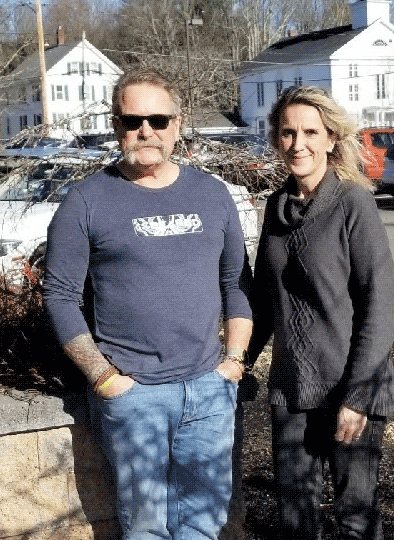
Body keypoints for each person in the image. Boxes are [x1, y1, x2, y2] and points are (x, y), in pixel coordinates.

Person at [43, 68, 253, 540]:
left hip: (208, 392)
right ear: (116, 126)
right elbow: (59, 296)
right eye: (131, 120)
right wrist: (103, 376)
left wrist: (234, 362)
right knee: (145, 529)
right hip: (135, 397)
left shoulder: (212, 193)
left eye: (158, 119)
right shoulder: (86, 201)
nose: (146, 131)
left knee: (204, 523)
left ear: (177, 125)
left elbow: (237, 284)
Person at [246, 86, 394, 540]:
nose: (299, 144)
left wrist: (357, 397)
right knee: (294, 515)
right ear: (277, 139)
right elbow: (263, 300)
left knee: (355, 516)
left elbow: (380, 306)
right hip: (292, 389)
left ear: (331, 138)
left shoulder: (354, 204)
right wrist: (238, 362)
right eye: (288, 133)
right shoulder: (274, 207)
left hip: (350, 387)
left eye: (311, 132)